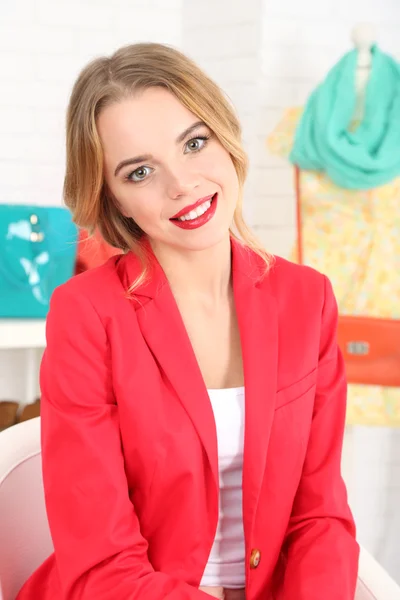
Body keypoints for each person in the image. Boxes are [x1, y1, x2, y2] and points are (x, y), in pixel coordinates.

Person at [17, 43, 359, 600]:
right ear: (116, 200)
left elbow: (319, 515)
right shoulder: (87, 315)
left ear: (224, 136)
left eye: (194, 143)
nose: (181, 185)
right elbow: (101, 559)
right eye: (141, 171)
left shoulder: (307, 298)